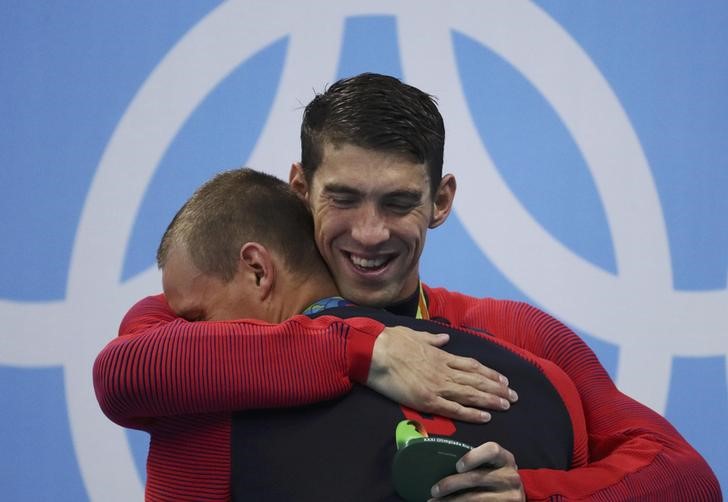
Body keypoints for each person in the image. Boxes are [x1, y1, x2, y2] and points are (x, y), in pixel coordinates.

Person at [281, 73, 719, 500]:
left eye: (399, 203)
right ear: (301, 190)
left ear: (441, 201)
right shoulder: (248, 332)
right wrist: (361, 349)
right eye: (343, 199)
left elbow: (687, 477)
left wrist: (528, 493)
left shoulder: (518, 332)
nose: (370, 232)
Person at [96, 168, 590, 501]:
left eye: (195, 319)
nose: (187, 337)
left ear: (257, 270)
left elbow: (130, 366)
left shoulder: (206, 421)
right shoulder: (544, 383)